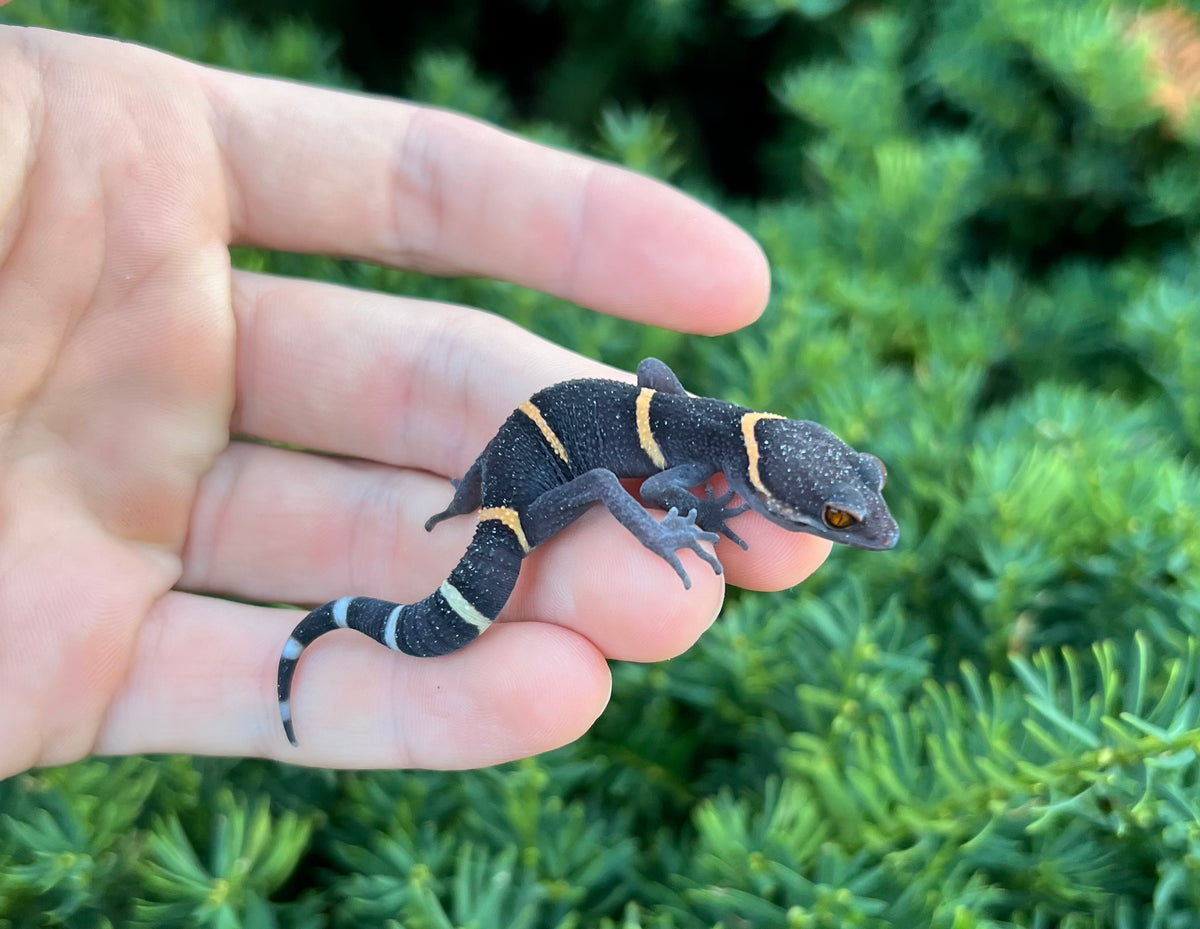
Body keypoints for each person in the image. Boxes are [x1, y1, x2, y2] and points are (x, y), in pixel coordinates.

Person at [0, 25, 832, 780]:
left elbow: (653, 371)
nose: (863, 526)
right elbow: (610, 481)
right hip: (528, 494)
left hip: (519, 465)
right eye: (835, 514)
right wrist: (661, 524)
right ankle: (345, 613)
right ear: (773, 479)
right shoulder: (695, 456)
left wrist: (675, 499)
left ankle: (351, 604)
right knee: (594, 499)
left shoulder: (703, 441)